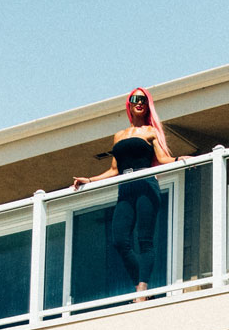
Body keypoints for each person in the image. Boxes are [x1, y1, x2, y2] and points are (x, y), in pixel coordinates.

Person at [72, 87, 181, 302]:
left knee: (144, 240)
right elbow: (114, 170)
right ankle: (139, 284)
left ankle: (142, 289)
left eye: (143, 100)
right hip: (125, 187)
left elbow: (162, 159)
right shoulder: (118, 136)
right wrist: (90, 180)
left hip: (145, 184)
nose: (139, 102)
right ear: (129, 104)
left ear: (147, 105)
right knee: (119, 240)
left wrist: (179, 160)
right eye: (135, 99)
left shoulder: (151, 132)